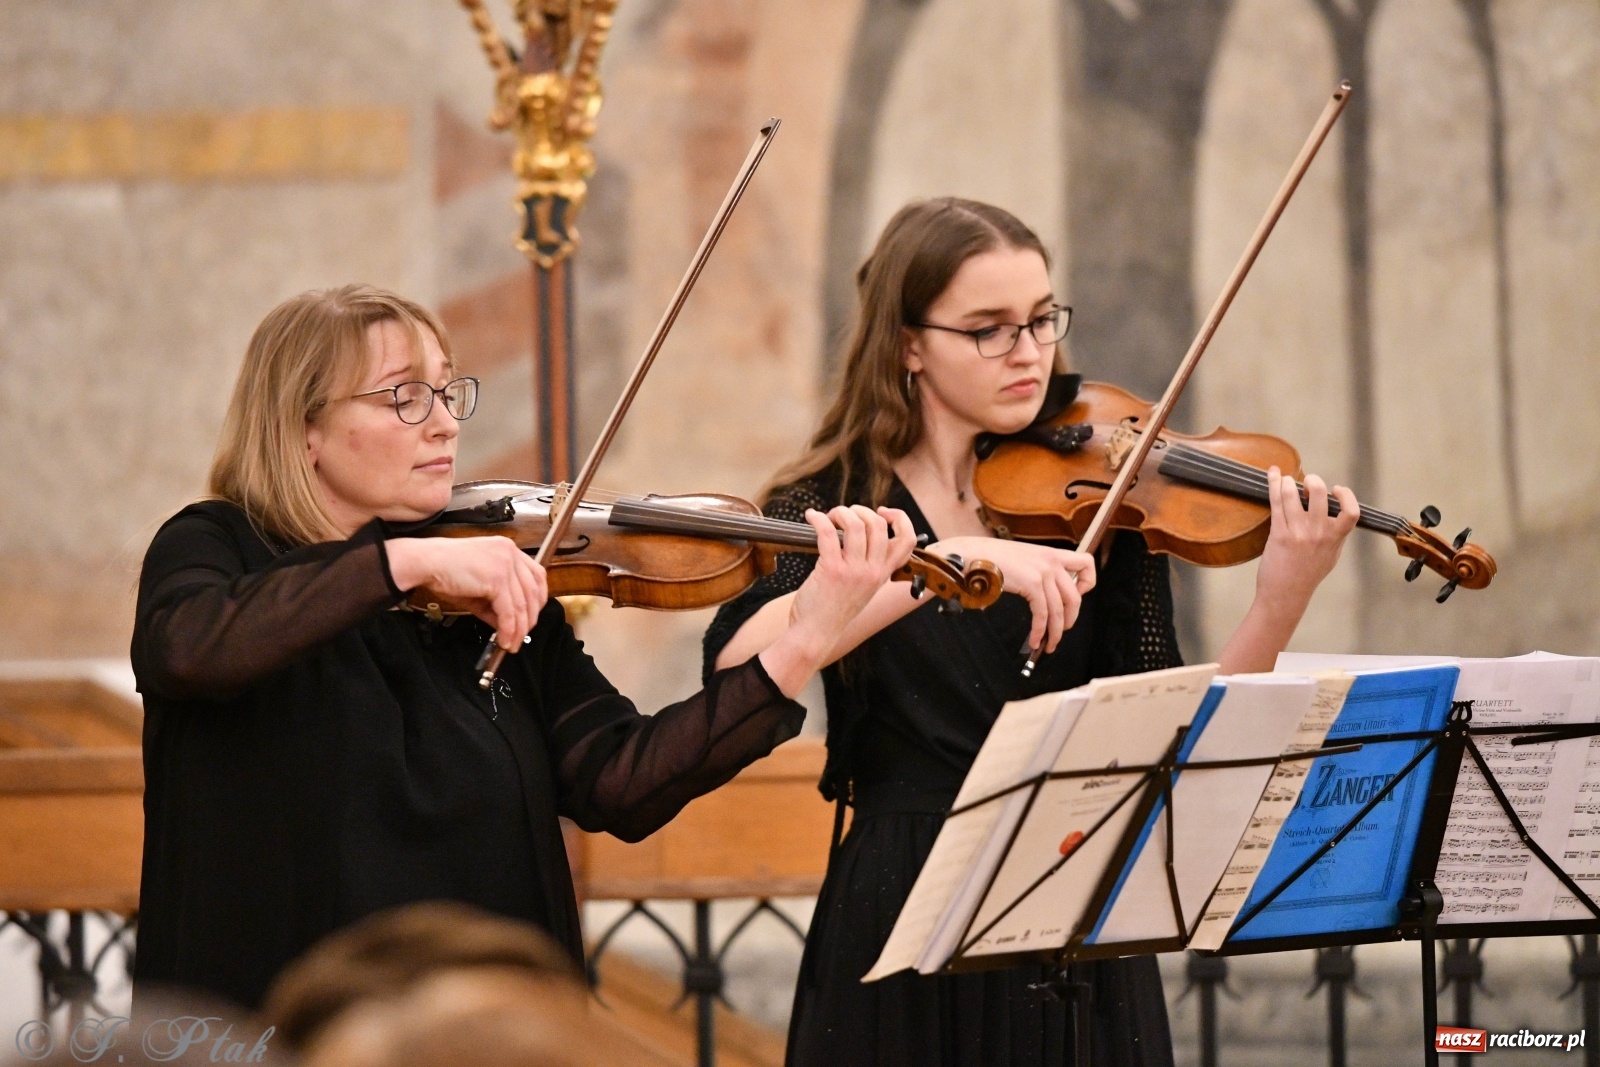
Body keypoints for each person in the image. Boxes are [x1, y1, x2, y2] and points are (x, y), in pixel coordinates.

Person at [131, 284, 918, 1011]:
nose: (445, 421)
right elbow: (189, 648)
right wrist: (400, 562)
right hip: (288, 1026)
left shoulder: (491, 587)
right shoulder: (215, 548)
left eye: (448, 390)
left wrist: (805, 639)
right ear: (303, 430)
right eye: (405, 396)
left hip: (488, 1028)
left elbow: (621, 779)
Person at [703, 198, 1361, 1066]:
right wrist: (948, 556)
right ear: (908, 343)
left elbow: (1183, 734)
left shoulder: (1102, 492)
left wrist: (1280, 599)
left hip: (1072, 898)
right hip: (902, 907)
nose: (1029, 351)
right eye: (989, 328)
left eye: (1042, 319)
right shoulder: (833, 501)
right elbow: (737, 664)